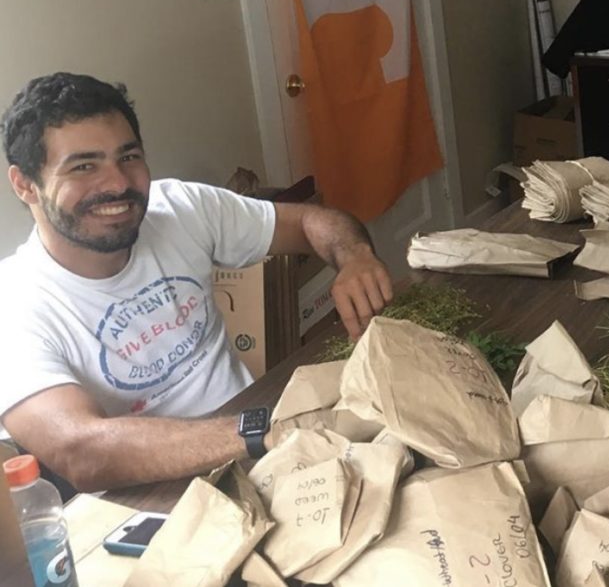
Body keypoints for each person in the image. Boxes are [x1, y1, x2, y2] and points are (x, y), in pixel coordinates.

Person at [0, 73, 393, 492]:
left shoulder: (181, 207)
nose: (117, 183)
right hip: (156, 504)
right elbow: (80, 450)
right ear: (25, 185)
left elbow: (314, 221)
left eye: (129, 157)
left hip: (269, 451)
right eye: (83, 166)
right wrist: (267, 432)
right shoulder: (15, 303)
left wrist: (354, 257)